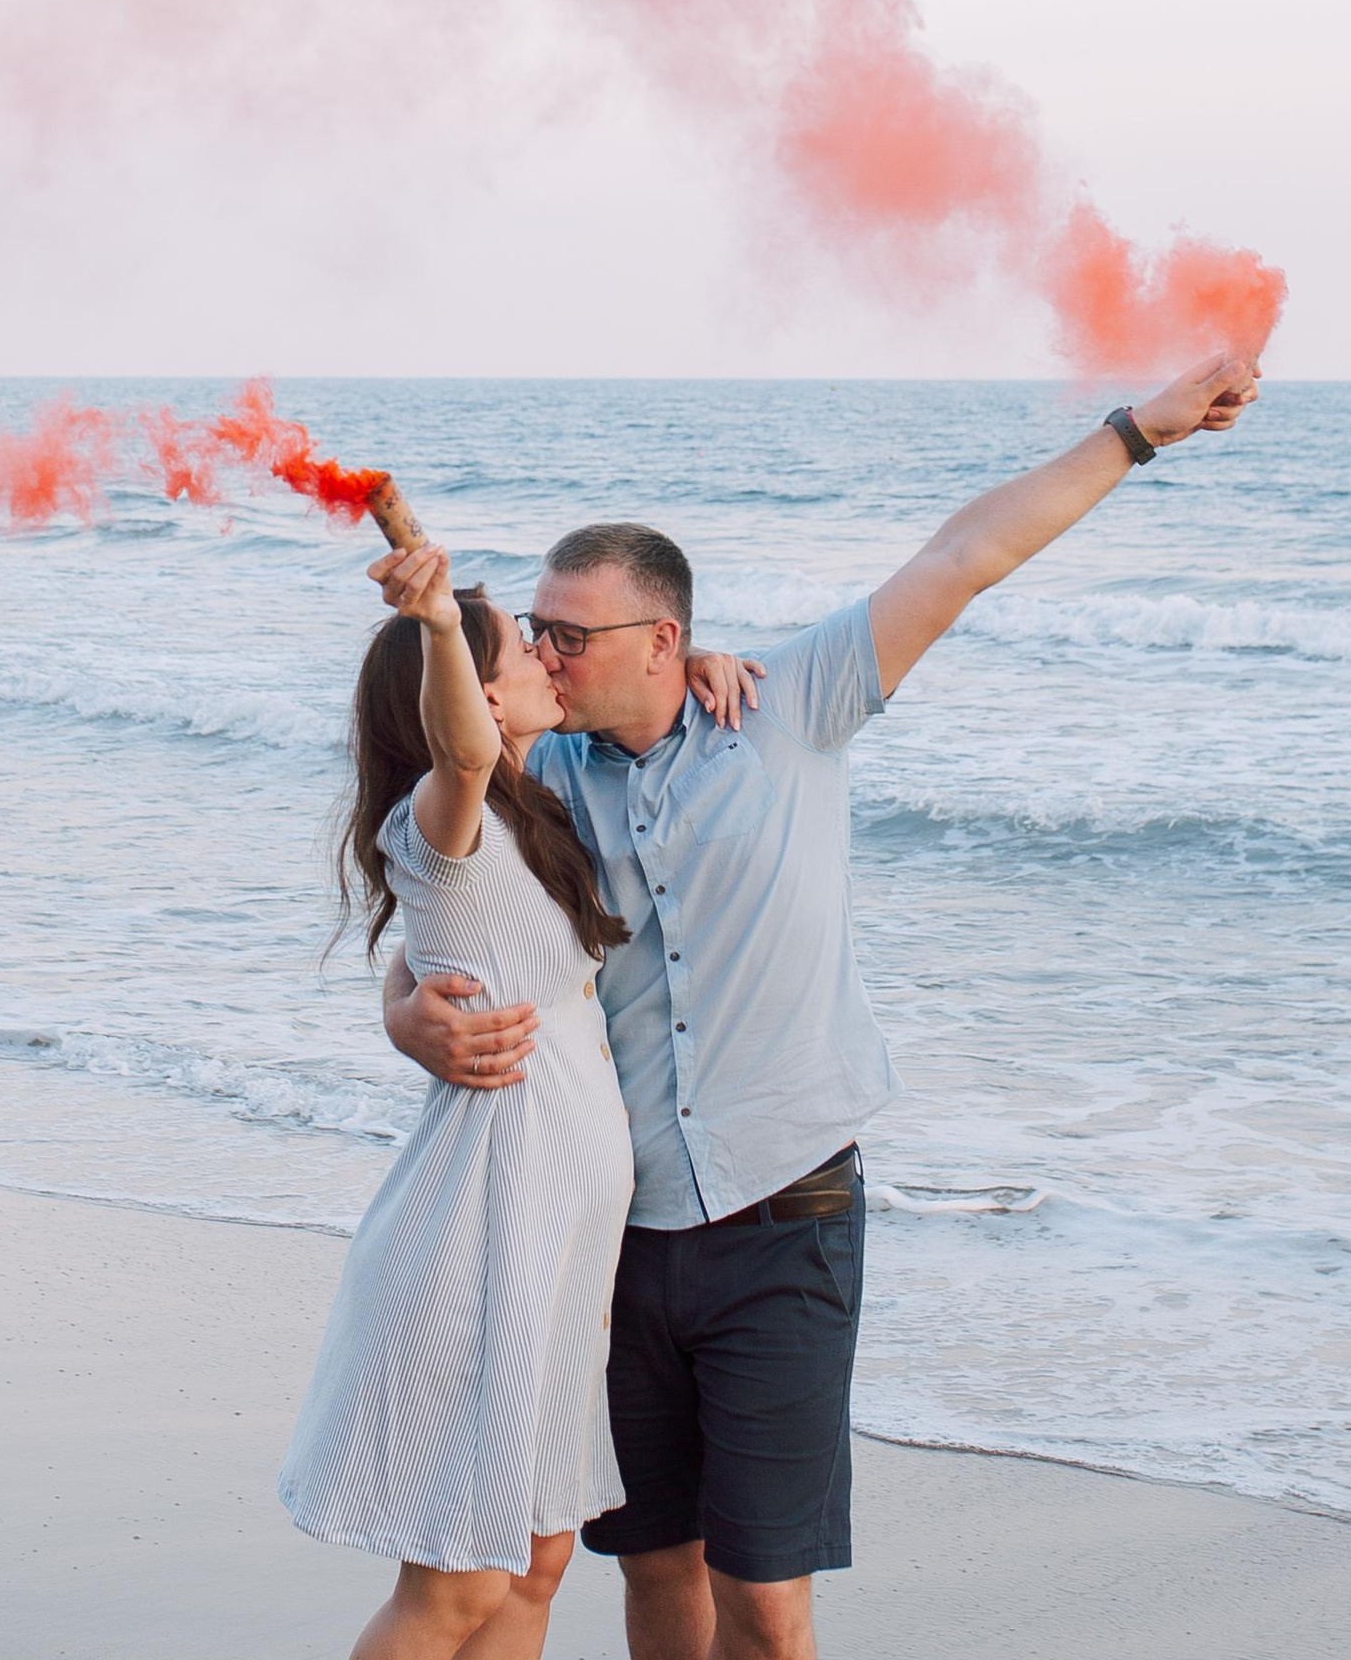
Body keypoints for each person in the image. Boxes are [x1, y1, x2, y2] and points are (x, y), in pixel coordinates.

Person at [382, 354, 1261, 1660]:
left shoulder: (789, 705)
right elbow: (441, 899)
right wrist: (408, 1016)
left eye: (576, 635)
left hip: (783, 1226)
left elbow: (963, 556)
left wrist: (1136, 432)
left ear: (664, 640)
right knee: (655, 1574)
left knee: (768, 1604)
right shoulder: (537, 770)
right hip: (615, 1231)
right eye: (542, 635)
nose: (550, 654)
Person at [281, 549, 764, 1660]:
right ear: (479, 694)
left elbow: (642, 703)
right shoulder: (443, 820)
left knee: (537, 1559)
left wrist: (699, 659)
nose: (553, 656)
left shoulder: (532, 811)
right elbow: (458, 743)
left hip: (555, 1254)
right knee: (460, 1580)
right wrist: (444, 626)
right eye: (524, 645)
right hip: (482, 1236)